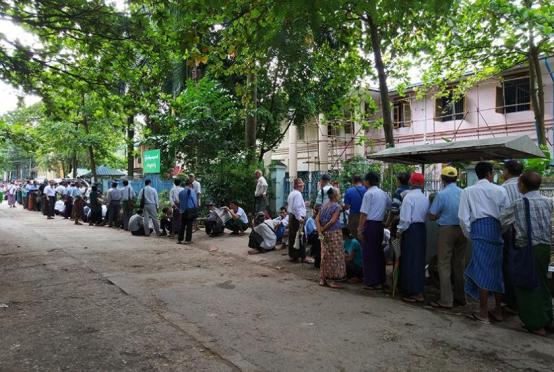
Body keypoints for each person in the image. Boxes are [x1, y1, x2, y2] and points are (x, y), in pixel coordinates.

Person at [500, 171, 554, 336]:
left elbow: (503, 221)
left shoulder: (519, 203)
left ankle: (536, 324)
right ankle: (547, 318)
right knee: (542, 284)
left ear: (522, 185)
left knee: (527, 285)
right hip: (545, 248)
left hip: (527, 249)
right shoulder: (548, 202)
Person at [459, 161, 509, 323]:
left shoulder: (468, 191)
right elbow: (506, 216)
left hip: (479, 230)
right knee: (496, 271)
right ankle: (498, 310)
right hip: (496, 231)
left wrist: (470, 234)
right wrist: (500, 231)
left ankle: (483, 312)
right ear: (489, 174)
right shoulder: (500, 190)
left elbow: (463, 217)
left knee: (482, 270)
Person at [428, 166, 467, 309]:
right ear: (456, 178)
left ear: (442, 179)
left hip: (446, 230)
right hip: (463, 229)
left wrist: (439, 215)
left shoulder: (442, 194)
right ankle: (461, 297)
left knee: (444, 264)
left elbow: (432, 215)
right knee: (459, 263)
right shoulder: (464, 193)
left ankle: (446, 300)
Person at [398, 173, 430, 303]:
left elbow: (405, 219)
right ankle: (418, 290)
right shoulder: (424, 198)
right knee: (418, 260)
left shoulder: (408, 197)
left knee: (410, 260)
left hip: (411, 230)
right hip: (421, 229)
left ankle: (412, 291)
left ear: (411, 182)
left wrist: (400, 231)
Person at [357, 172, 391, 290]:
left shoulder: (368, 194)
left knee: (369, 253)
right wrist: (387, 221)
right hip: (379, 225)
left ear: (367, 181)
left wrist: (360, 228)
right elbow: (391, 207)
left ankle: (372, 281)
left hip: (370, 224)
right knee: (378, 252)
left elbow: (364, 213)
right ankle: (381, 279)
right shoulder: (383, 193)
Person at [501, 160, 524, 313]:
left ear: (507, 171)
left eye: (503, 170)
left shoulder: (504, 188)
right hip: (525, 229)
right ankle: (521, 300)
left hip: (511, 229)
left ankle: (511, 302)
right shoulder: (525, 185)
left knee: (508, 265)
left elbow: (503, 212)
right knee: (521, 264)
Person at [317, 187, 346, 288]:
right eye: (338, 193)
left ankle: (323, 278)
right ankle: (331, 279)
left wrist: (320, 230)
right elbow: (333, 221)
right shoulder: (336, 206)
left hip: (324, 234)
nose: (340, 194)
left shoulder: (323, 205)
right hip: (334, 233)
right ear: (335, 195)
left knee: (324, 255)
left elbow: (317, 219)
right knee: (334, 256)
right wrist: (324, 229)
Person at [287, 178, 307, 262]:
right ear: (298, 186)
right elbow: (296, 207)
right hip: (297, 218)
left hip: (292, 216)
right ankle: (302, 256)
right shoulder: (298, 194)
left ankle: (293, 255)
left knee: (293, 236)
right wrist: (300, 218)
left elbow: (294, 206)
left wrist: (304, 204)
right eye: (302, 185)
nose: (303, 187)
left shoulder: (292, 193)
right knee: (300, 237)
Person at [343, 175, 367, 240]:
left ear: (353, 181)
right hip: (366, 216)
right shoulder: (367, 190)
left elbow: (347, 207)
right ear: (361, 181)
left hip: (354, 217)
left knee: (354, 236)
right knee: (364, 236)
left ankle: (356, 249)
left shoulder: (349, 191)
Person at [177, 179, 198, 244]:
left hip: (182, 210)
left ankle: (180, 239)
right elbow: (194, 201)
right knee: (189, 225)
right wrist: (196, 207)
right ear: (190, 184)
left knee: (182, 225)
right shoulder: (191, 191)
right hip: (189, 210)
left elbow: (179, 202)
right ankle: (187, 240)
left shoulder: (181, 192)